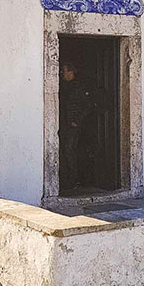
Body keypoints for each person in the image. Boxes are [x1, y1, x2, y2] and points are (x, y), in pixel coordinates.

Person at [59, 61, 94, 191]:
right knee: (66, 151)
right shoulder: (65, 86)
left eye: (64, 71)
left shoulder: (79, 86)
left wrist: (76, 121)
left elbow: (88, 105)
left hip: (74, 126)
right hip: (65, 124)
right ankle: (68, 179)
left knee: (69, 150)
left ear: (70, 72)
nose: (61, 73)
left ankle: (73, 180)